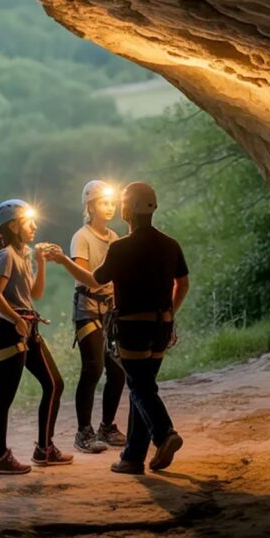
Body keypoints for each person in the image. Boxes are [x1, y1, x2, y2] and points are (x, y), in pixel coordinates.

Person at [44, 182, 190, 474]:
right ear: (154, 207)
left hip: (132, 326)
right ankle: (133, 457)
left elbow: (96, 281)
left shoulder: (120, 246)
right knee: (144, 385)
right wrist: (170, 312)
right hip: (162, 326)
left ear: (127, 209)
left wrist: (61, 261)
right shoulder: (171, 244)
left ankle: (164, 433)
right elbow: (182, 283)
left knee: (138, 386)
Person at [0, 199, 72, 475]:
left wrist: (40, 263)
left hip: (26, 327)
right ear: (13, 226)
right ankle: (0, 456)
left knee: (54, 383)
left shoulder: (22, 253)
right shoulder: (6, 255)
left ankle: (44, 449)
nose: (34, 226)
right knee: (4, 397)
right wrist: (17, 319)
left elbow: (35, 294)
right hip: (12, 330)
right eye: (28, 222)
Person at [69, 180, 127, 453]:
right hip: (88, 309)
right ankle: (83, 431)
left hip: (110, 310)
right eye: (104, 203)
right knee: (93, 368)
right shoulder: (82, 237)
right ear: (90, 206)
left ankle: (106, 426)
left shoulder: (114, 238)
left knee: (117, 371)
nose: (110, 207)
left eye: (112, 202)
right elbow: (82, 274)